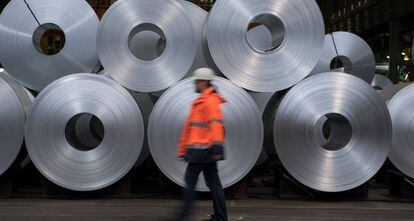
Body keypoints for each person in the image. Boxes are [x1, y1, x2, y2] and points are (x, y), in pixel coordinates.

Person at [177, 67, 228, 221]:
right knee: (214, 184)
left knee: (190, 182)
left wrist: (218, 147)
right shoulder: (201, 101)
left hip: (202, 152)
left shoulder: (209, 101)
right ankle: (220, 217)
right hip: (204, 151)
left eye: (197, 81)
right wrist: (183, 149)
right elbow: (190, 128)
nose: (195, 84)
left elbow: (216, 125)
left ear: (204, 82)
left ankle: (182, 216)